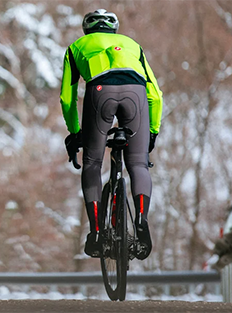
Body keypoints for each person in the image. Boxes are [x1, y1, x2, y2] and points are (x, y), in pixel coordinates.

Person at [60, 9, 163, 260]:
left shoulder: (76, 47)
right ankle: (141, 223)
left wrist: (75, 133)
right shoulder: (132, 45)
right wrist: (152, 132)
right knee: (138, 163)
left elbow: (67, 97)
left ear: (87, 29)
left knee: (93, 163)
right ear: (114, 30)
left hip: (99, 91)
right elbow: (156, 95)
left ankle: (96, 232)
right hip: (136, 94)